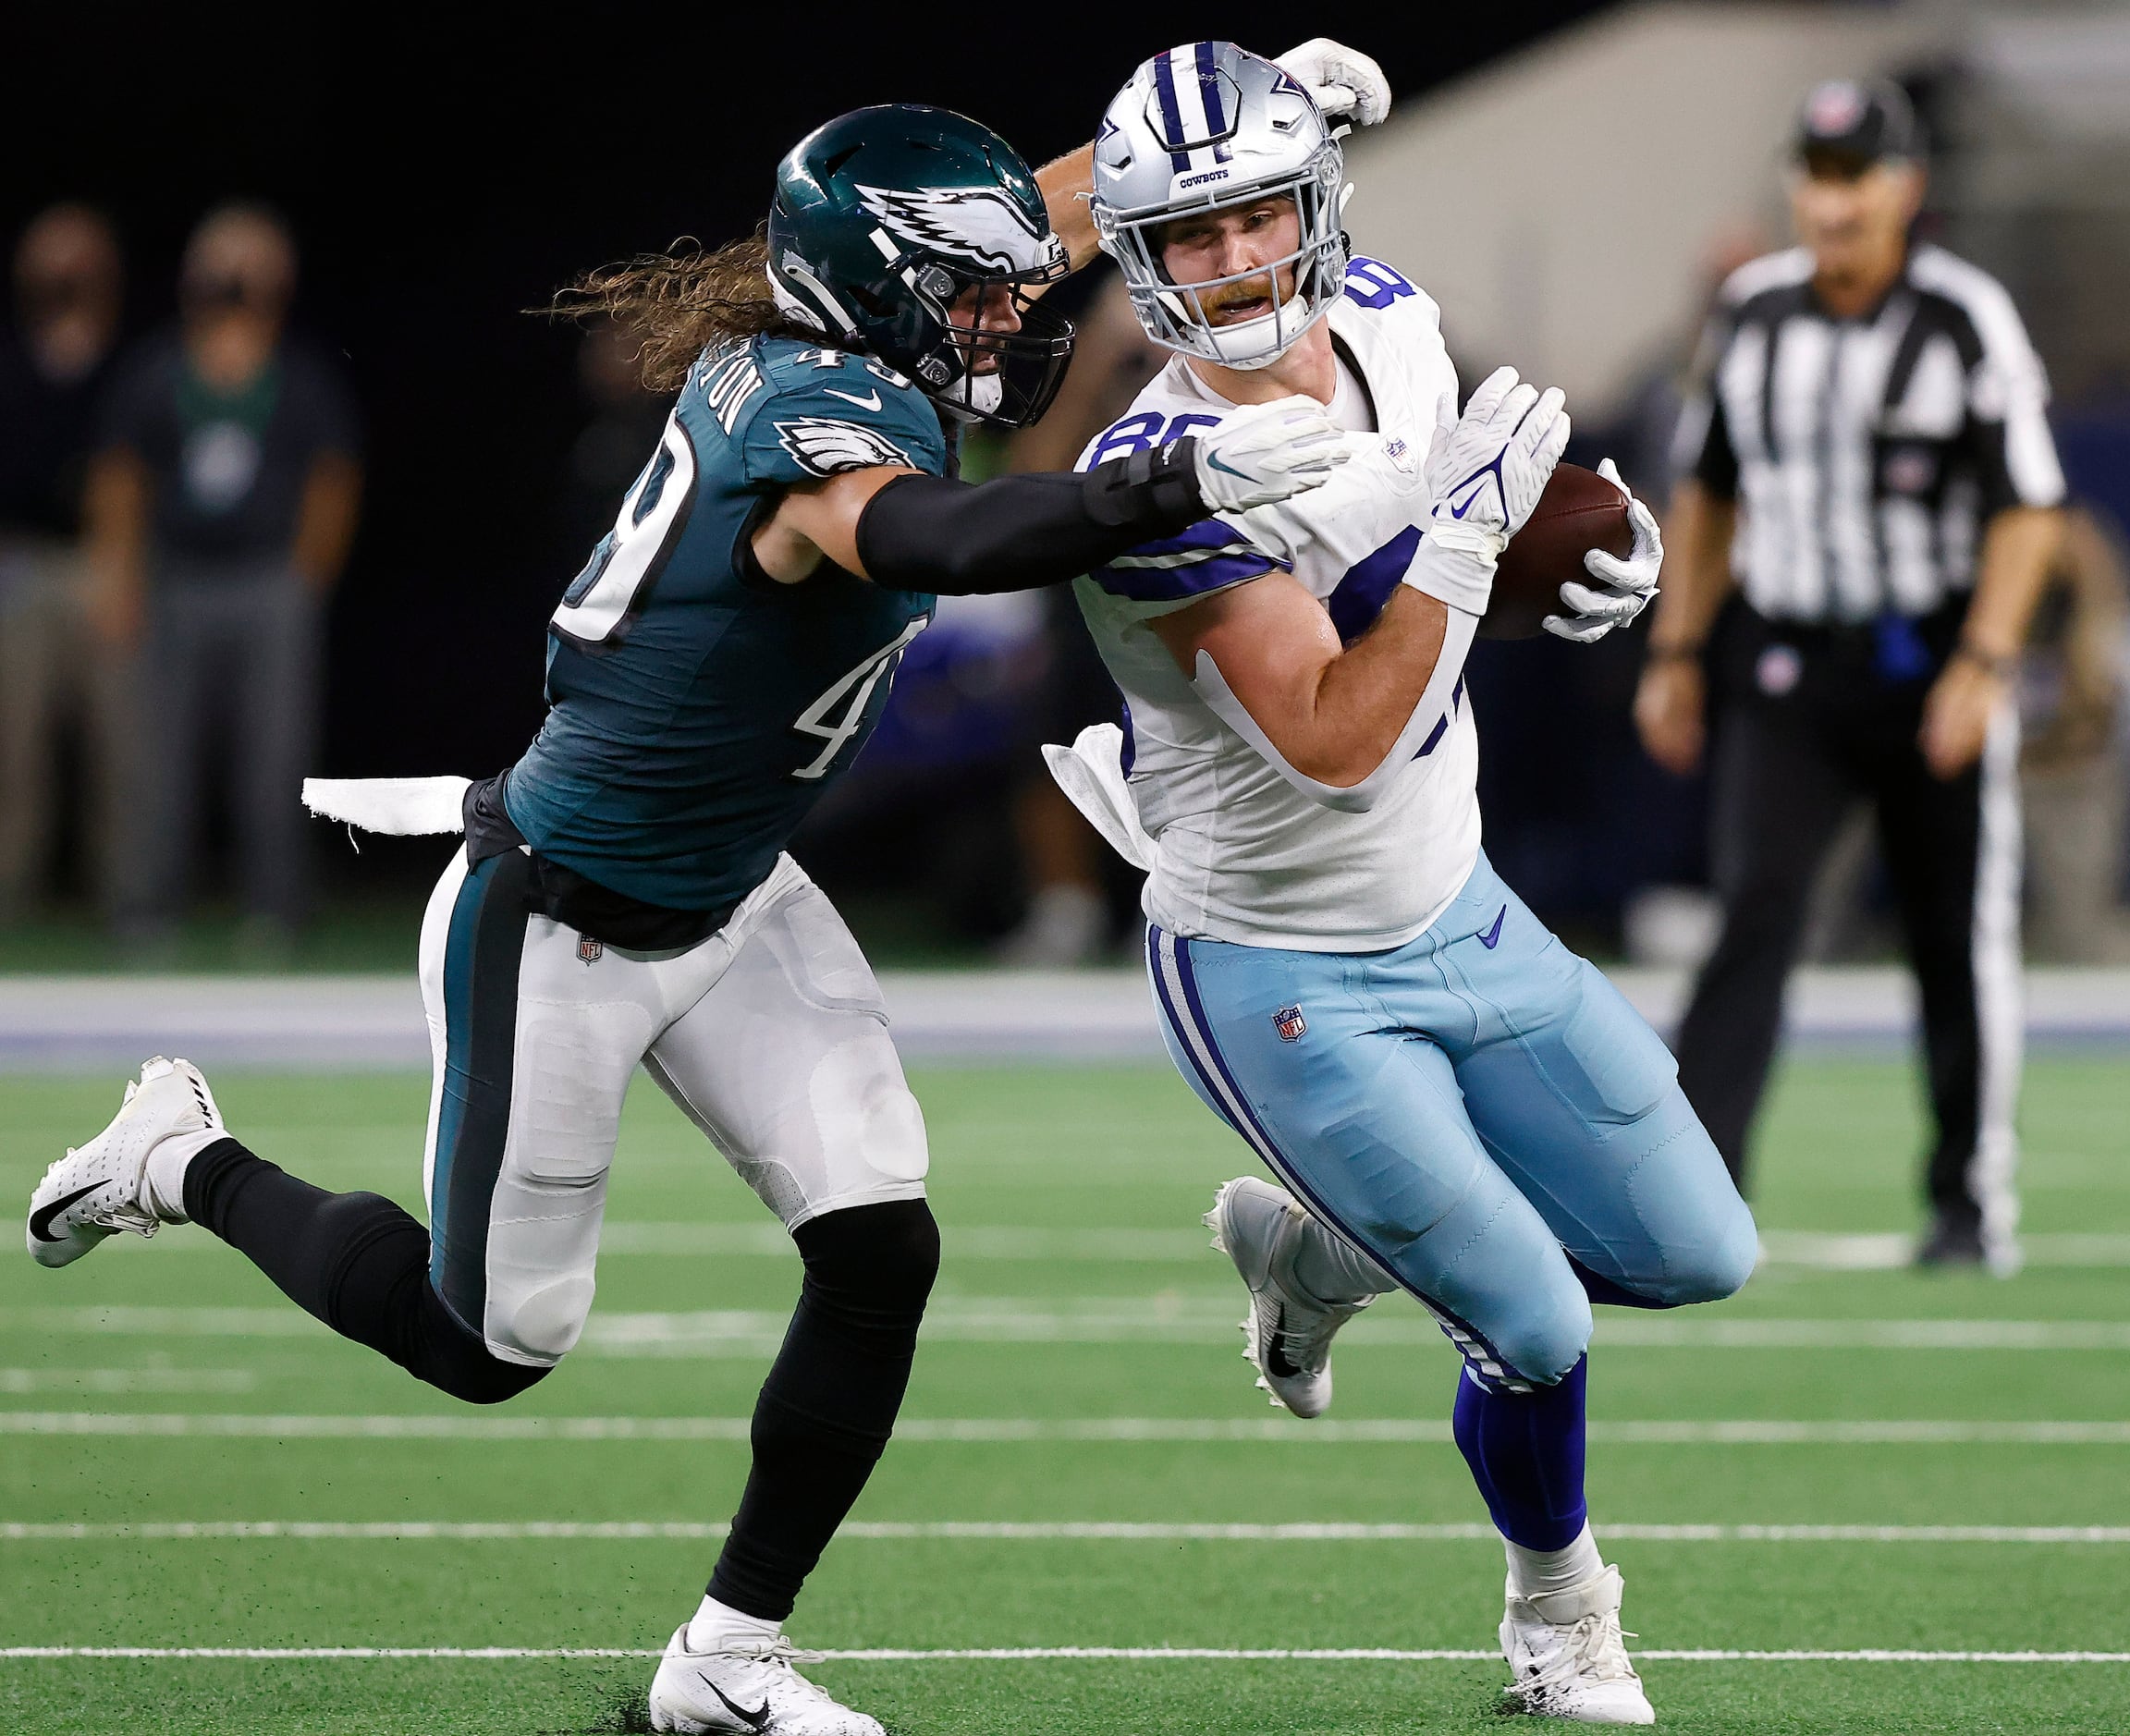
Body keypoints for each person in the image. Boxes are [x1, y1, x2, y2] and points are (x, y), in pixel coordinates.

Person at [27, 71, 1373, 1736]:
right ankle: (182, 1156)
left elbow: (1056, 210)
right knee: (487, 1343)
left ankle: (728, 1651)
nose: (1015, 311)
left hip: (735, 888)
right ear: (882, 291)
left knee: (880, 1244)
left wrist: (1259, 91)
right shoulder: (808, 419)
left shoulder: (858, 318)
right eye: (980, 293)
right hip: (566, 916)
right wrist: (1156, 484)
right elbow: (931, 535)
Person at [1045, 42, 1754, 1725]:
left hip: (1458, 898)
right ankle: (1553, 1606)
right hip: (1274, 958)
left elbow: (1435, 542)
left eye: (1255, 217)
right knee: (1526, 1316)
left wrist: (1568, 560)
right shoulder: (1146, 486)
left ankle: (1321, 1259)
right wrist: (1460, 547)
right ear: (1136, 257)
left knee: (1693, 1250)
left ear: (1317, 206)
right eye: (1189, 233)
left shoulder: (1386, 314)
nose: (1232, 261)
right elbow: (1333, 728)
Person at [1632, 79, 2068, 1271]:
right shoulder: (1753, 314)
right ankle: (1697, 1197)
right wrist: (1677, 651)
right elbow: (1707, 493)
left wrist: (1982, 664)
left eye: (1858, 173)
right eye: (1818, 173)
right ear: (1798, 185)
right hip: (1791, 663)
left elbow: (2031, 512)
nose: (1835, 198)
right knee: (1753, 912)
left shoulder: (1966, 317)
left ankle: (1970, 1205)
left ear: (1905, 187)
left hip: (1933, 657)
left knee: (1953, 935)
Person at [87, 202, 363, 947]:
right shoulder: (156, 370)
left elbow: (333, 479)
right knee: (159, 754)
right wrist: (119, 582)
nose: (235, 285)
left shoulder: (300, 376)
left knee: (275, 751)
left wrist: (305, 578)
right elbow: (118, 479)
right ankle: (146, 911)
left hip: (266, 581)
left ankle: (275, 909)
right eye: (222, 270)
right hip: (176, 579)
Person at [0, 204, 131, 920]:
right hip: (20, 565)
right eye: (51, 266)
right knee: (17, 746)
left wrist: (123, 567)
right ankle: (11, 896)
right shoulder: (13, 363)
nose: (65, 279)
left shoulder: (130, 364)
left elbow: (133, 476)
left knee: (117, 745)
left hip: (101, 563)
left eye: (79, 265)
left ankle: (127, 903)